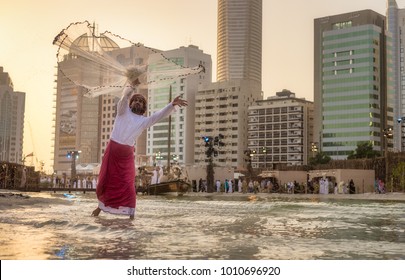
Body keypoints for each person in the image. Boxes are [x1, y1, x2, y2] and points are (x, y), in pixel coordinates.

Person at [91, 67, 188, 219]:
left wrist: (172, 105)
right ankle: (100, 208)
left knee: (128, 184)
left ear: (143, 107)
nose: (137, 102)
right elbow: (124, 98)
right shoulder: (122, 111)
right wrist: (132, 85)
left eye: (140, 101)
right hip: (113, 150)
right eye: (135, 100)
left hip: (127, 155)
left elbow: (158, 116)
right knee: (106, 180)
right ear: (131, 104)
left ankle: (131, 216)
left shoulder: (143, 121)